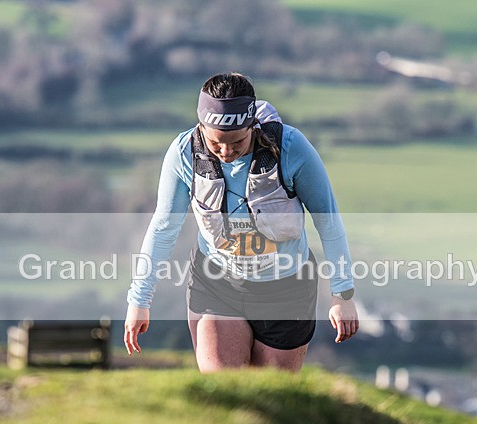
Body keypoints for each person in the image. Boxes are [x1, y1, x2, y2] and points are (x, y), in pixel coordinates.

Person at [124, 72, 358, 372]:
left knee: (271, 396)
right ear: (201, 127)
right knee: (223, 389)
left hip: (287, 291)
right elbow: (163, 227)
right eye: (215, 143)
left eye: (237, 142)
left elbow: (328, 221)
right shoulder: (183, 153)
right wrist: (139, 300)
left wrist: (342, 295)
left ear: (252, 126)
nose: (225, 152)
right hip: (217, 283)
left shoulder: (291, 148)